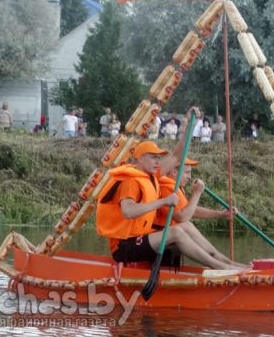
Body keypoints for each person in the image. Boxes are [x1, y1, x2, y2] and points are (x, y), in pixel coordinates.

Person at [95, 107, 246, 271]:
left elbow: (176, 156)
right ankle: (219, 267)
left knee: (185, 227)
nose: (157, 162)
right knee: (176, 232)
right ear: (141, 159)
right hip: (124, 246)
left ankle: (227, 263)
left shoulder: (152, 176)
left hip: (140, 237)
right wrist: (164, 201)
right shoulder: (130, 181)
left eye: (159, 158)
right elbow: (128, 211)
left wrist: (189, 123)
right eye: (154, 157)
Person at [153, 157, 247, 269]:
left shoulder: (174, 187)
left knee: (187, 226)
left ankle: (225, 261)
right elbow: (183, 217)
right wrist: (197, 193)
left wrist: (221, 214)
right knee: (185, 225)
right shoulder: (165, 187)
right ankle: (221, 264)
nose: (190, 177)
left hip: (172, 233)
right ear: (174, 171)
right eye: (187, 173)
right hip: (159, 235)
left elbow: (191, 210)